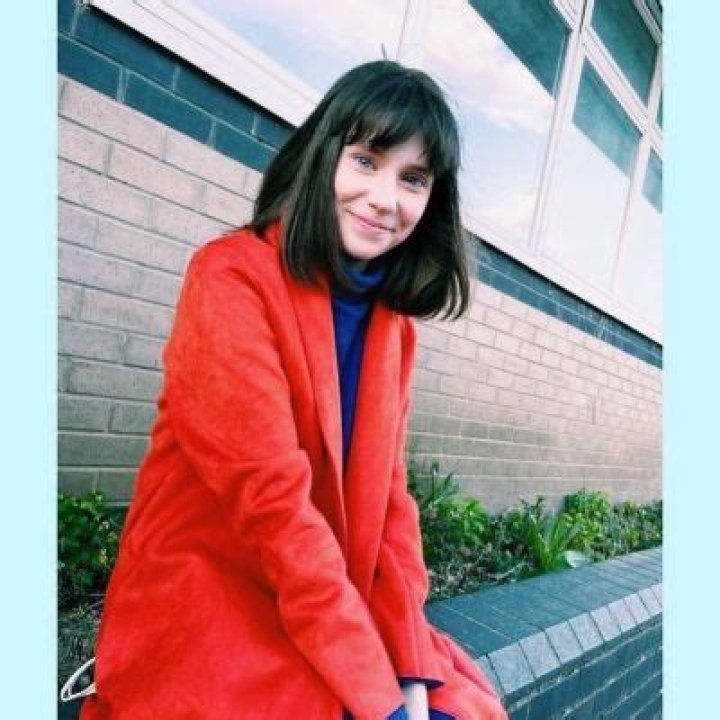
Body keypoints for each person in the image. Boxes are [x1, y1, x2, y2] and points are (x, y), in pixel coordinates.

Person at [76, 60, 508, 720]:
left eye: (412, 179)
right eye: (365, 161)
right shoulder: (231, 278)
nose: (385, 198)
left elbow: (391, 506)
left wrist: (408, 663)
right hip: (215, 599)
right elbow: (271, 504)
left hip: (324, 604)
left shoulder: (393, 325)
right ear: (323, 155)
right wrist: (377, 697)